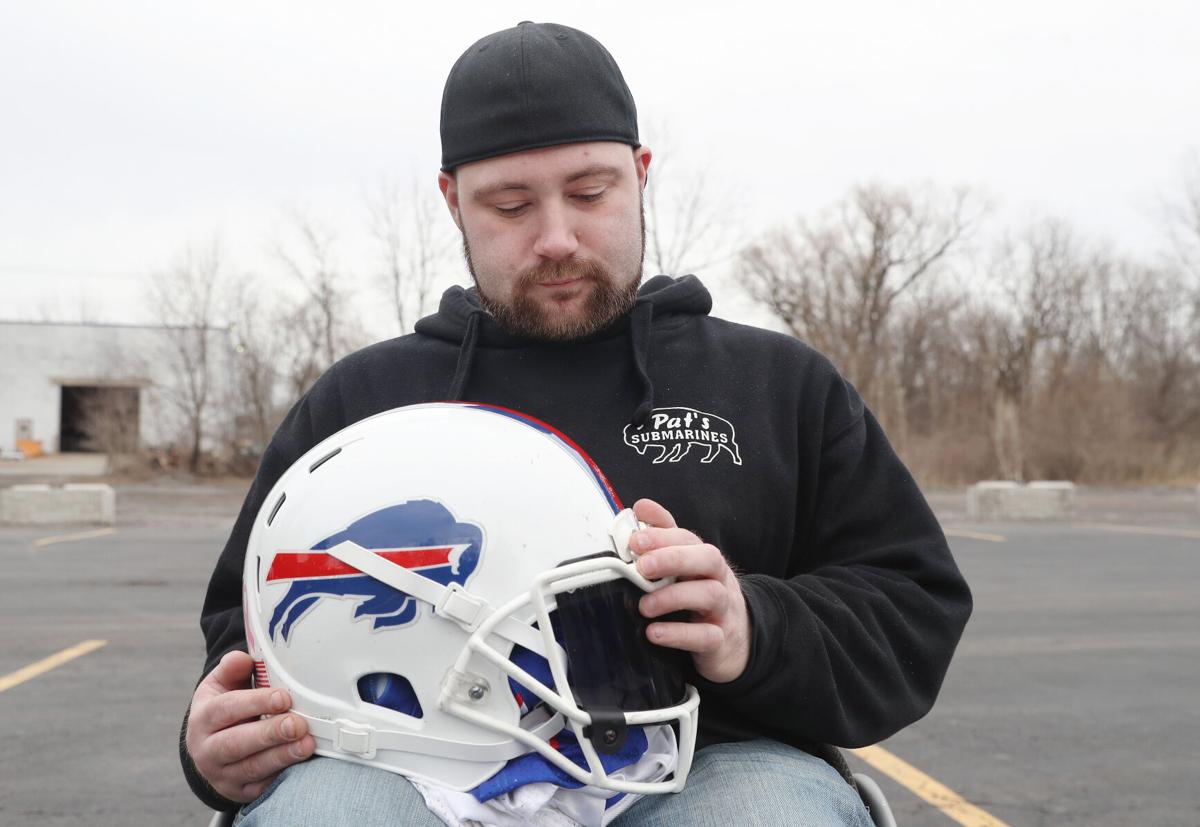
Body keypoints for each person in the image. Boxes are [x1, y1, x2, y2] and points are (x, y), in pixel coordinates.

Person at [180, 21, 972, 826]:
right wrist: (219, 740)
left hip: (710, 762)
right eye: (511, 204)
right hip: (406, 772)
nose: (556, 238)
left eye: (590, 193)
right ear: (453, 200)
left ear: (641, 174)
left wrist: (753, 626)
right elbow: (246, 627)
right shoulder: (364, 401)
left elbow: (909, 602)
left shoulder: (776, 385)